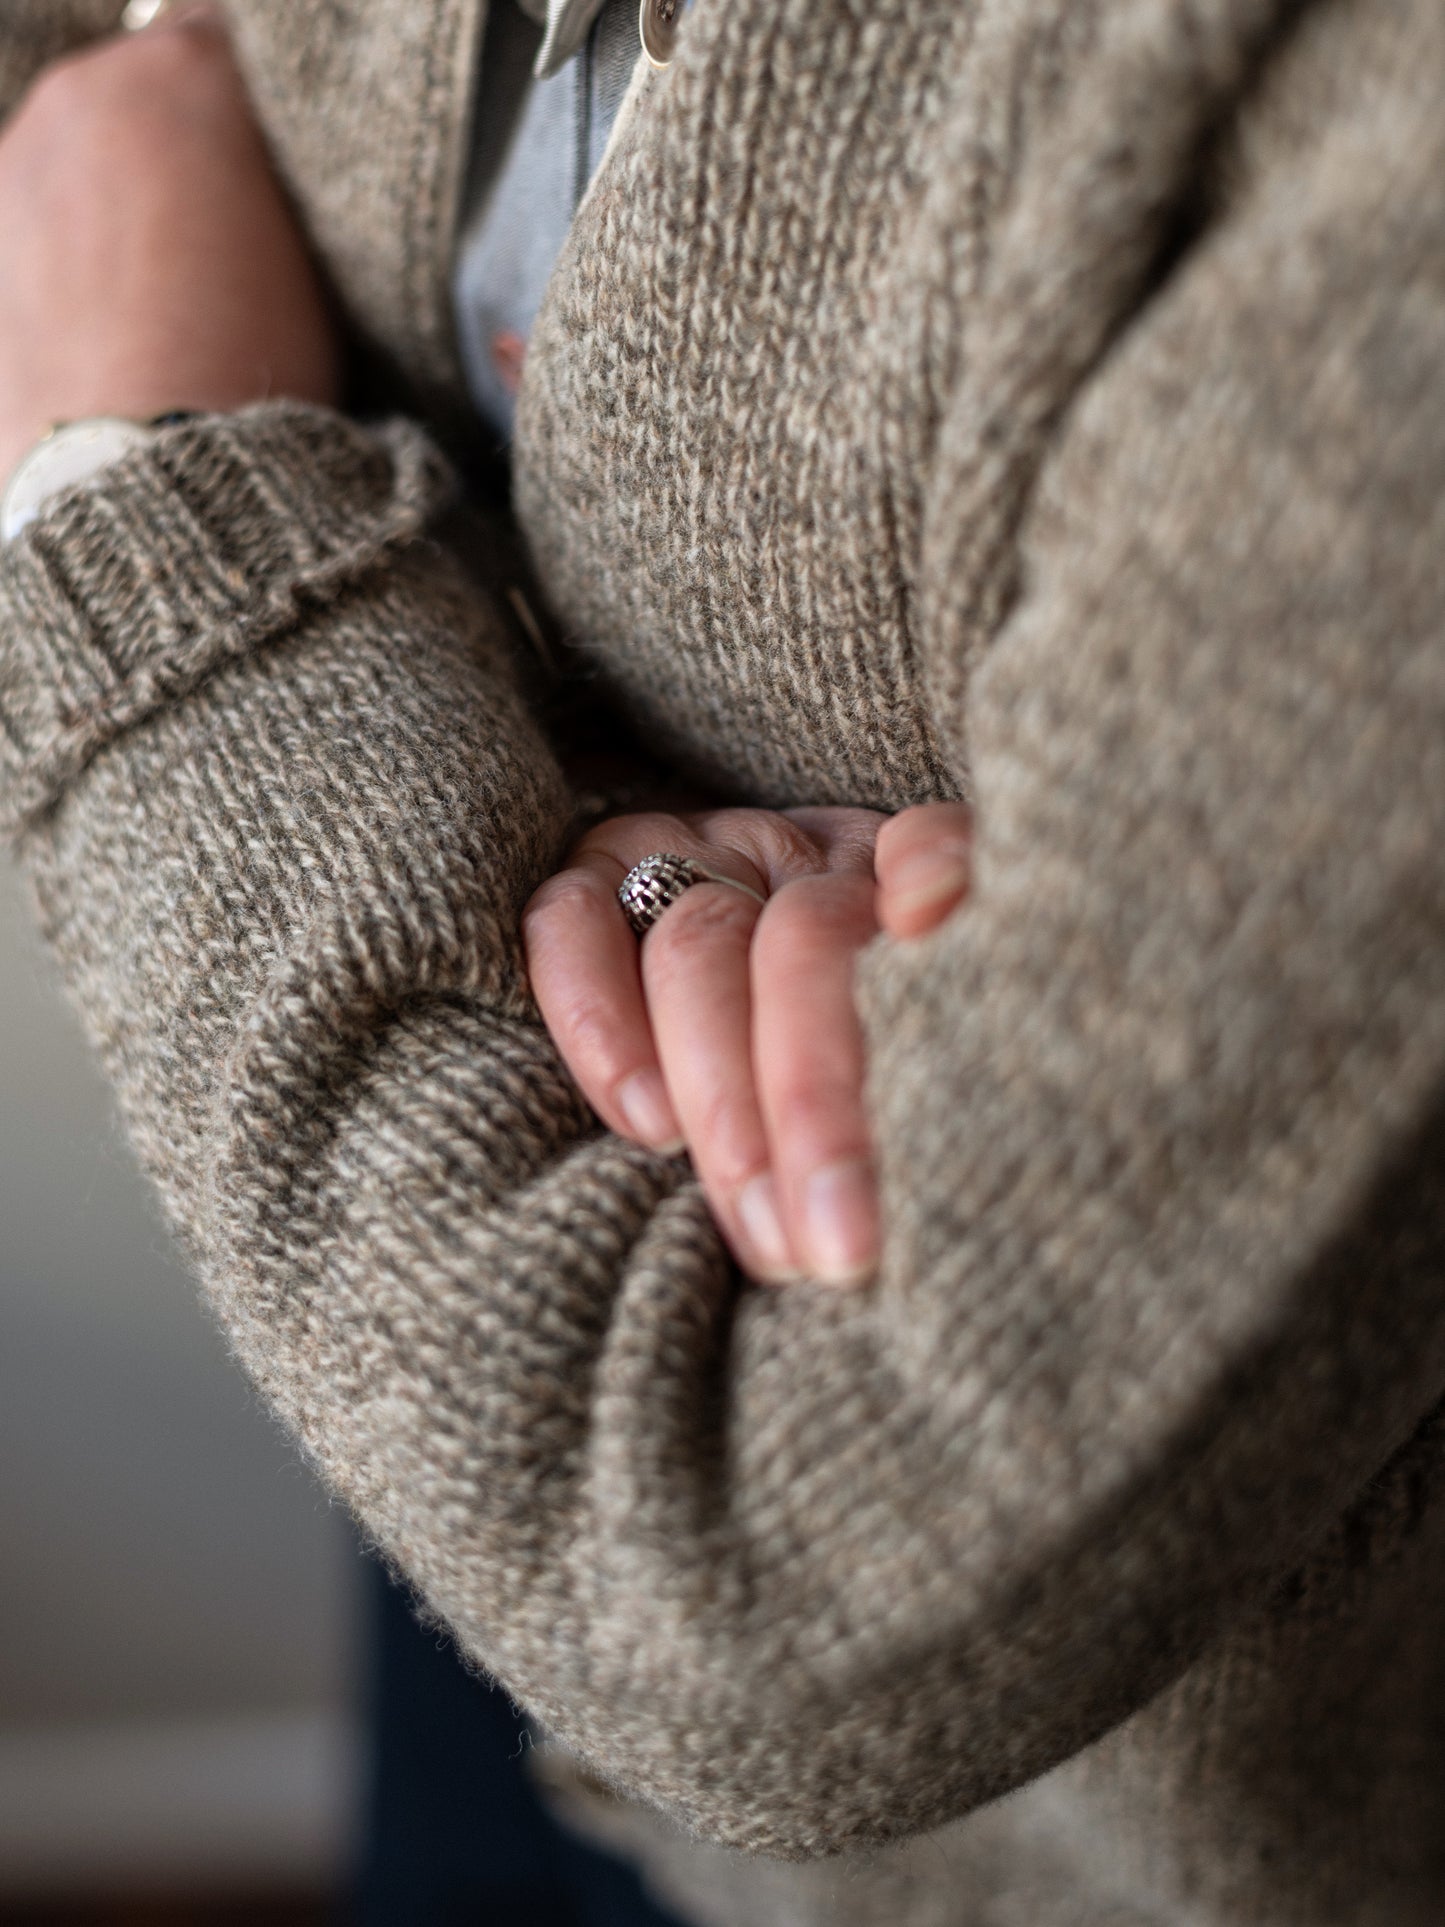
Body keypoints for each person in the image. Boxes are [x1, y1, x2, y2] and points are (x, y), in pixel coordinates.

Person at [0, 1, 1443, 1922]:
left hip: (1090, 1839)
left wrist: (131, 486)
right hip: (432, 1421)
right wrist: (595, 825)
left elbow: (782, 1594)